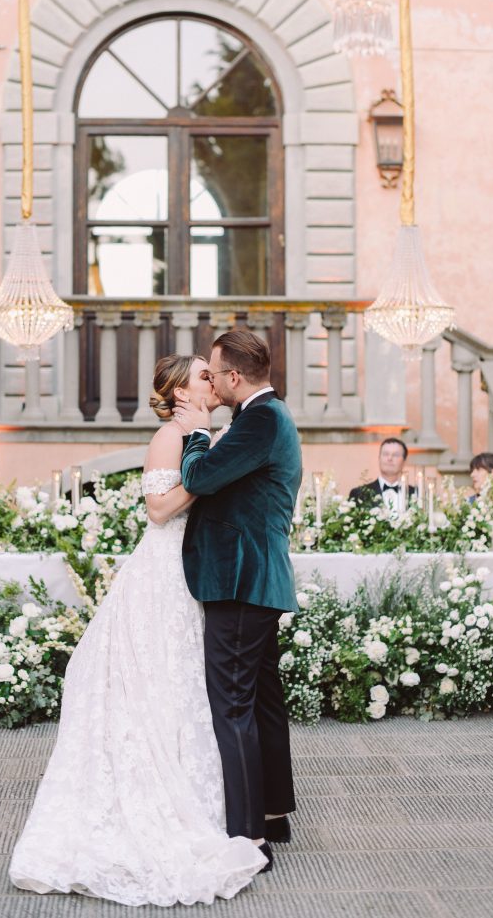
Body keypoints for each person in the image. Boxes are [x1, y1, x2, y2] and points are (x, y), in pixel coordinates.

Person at [9, 354, 266, 905]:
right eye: (202, 375)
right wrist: (206, 473)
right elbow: (159, 508)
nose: (212, 381)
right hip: (163, 571)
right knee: (157, 678)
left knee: (184, 685)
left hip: (191, 572)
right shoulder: (170, 437)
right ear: (180, 390)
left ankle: (199, 795)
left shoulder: (204, 433)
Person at [173, 329, 302, 872]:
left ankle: (249, 838)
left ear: (234, 376)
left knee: (232, 705)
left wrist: (198, 434)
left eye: (215, 372)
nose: (213, 381)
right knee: (261, 701)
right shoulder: (266, 417)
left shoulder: (261, 420)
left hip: (242, 582)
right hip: (254, 581)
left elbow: (199, 478)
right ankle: (273, 812)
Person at [348, 437, 417, 510]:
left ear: (404, 461)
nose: (390, 458)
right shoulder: (359, 494)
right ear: (379, 458)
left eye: (396, 455)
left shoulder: (416, 494)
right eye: (385, 454)